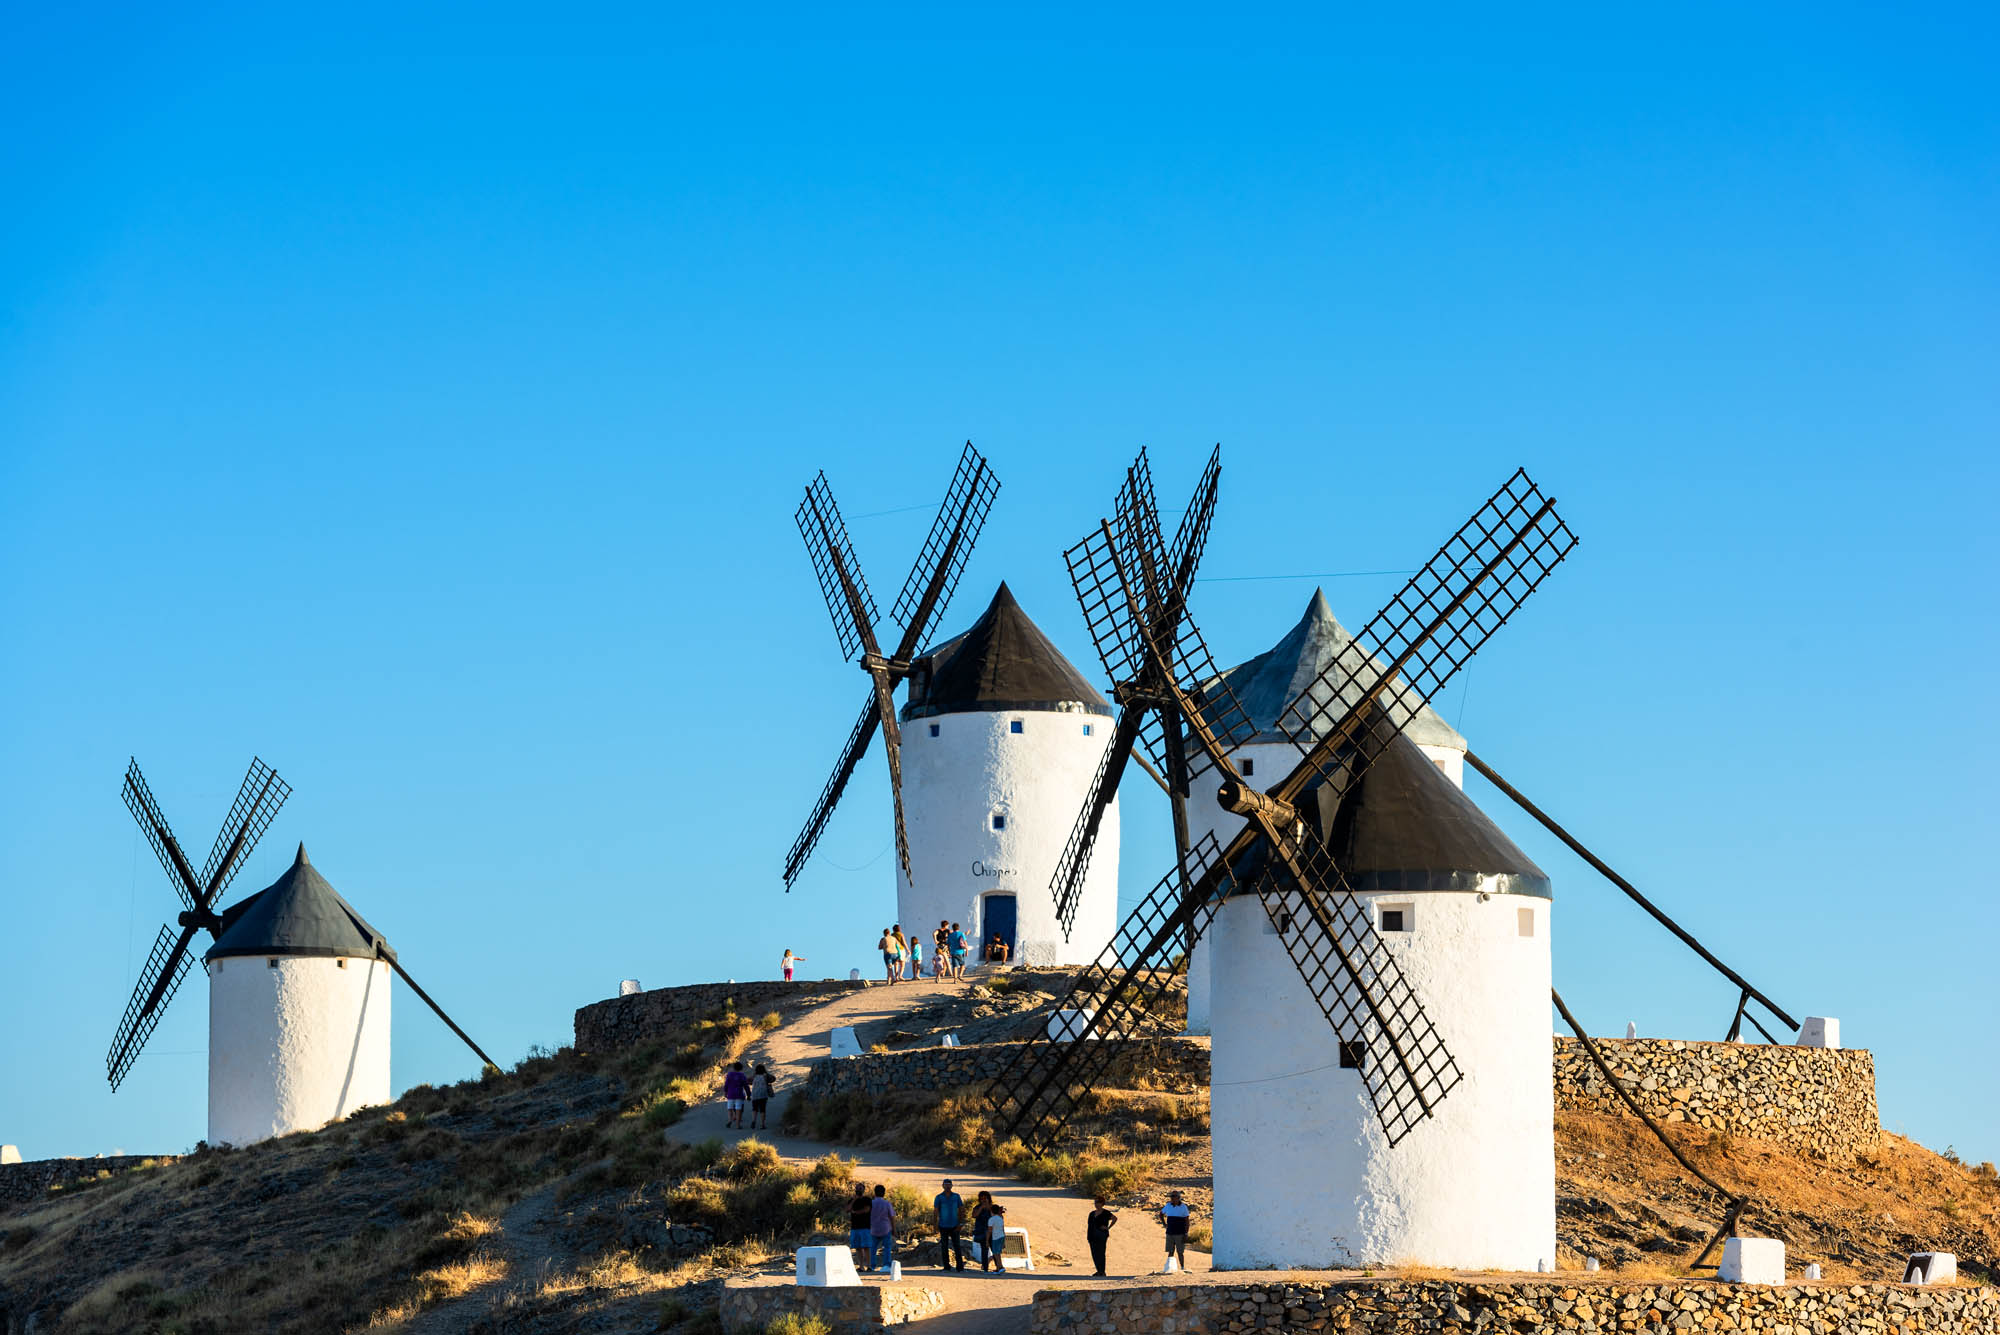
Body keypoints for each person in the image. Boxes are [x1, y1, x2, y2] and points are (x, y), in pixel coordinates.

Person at [934, 1178, 965, 1271]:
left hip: (955, 1225)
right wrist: (934, 1225)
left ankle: (960, 1267)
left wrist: (961, 1223)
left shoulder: (956, 1196)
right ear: (942, 1186)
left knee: (957, 1246)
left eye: (949, 1184)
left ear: (952, 1186)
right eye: (945, 1184)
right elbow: (935, 1211)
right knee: (944, 1247)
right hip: (943, 1225)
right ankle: (946, 1266)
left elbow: (961, 1210)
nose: (947, 1186)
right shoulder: (939, 1197)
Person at [1158, 1190, 1192, 1268]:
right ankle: (1170, 1267)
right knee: (1170, 1251)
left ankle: (1182, 1267)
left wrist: (1186, 1233)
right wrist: (1164, 1224)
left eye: (1174, 1196)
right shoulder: (1168, 1205)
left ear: (1179, 1198)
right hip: (1170, 1232)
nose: (1172, 1198)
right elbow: (1161, 1214)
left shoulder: (1183, 1207)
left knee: (1180, 1252)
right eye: (1171, 1197)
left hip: (1180, 1233)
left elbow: (1187, 1220)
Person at [1086, 1196, 1118, 1276]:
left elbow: (1115, 1218)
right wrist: (1088, 1236)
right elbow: (1089, 1225)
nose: (1096, 1204)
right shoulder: (1091, 1213)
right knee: (1094, 1253)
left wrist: (1108, 1227)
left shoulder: (1106, 1213)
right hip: (1092, 1235)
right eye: (1095, 1202)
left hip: (1101, 1235)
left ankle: (1102, 1271)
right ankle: (1098, 1270)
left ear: (1102, 1203)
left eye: (1098, 1202)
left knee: (1101, 1253)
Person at [868, 1183, 896, 1273]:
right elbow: (892, 1217)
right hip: (885, 1228)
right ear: (884, 1193)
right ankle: (886, 1265)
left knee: (872, 1249)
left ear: (875, 1193)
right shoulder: (887, 1204)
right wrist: (893, 1229)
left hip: (873, 1229)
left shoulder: (871, 1203)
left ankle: (871, 1266)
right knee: (887, 1248)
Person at [848, 1185, 874, 1270]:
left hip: (865, 1226)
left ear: (863, 1190)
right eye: (857, 1188)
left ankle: (869, 1266)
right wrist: (854, 1200)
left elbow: (867, 1209)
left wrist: (856, 1212)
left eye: (860, 1188)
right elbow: (847, 1209)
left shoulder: (867, 1200)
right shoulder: (852, 1200)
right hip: (854, 1227)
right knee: (858, 1247)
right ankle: (861, 1266)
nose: (858, 1190)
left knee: (866, 1247)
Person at [721, 1061, 749, 1129]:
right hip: (739, 1094)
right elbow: (746, 1085)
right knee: (738, 1110)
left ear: (733, 1068)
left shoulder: (729, 1074)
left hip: (731, 1094)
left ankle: (730, 1120)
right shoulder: (742, 1075)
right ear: (741, 1068)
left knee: (730, 1108)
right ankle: (737, 1125)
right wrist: (749, 1094)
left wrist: (725, 1092)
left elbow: (726, 1084)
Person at [970, 1190, 993, 1267]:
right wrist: (981, 1208)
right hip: (981, 1231)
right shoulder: (977, 1207)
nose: (983, 1200)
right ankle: (985, 1266)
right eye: (982, 1198)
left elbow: (997, 1216)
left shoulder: (993, 1207)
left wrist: (989, 1208)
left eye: (985, 1198)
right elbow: (974, 1215)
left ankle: (998, 1266)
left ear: (989, 1199)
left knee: (995, 1250)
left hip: (992, 1231)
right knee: (984, 1250)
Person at [983, 1203, 1008, 1272]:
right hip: (1001, 1236)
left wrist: (987, 1240)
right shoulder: (1001, 1218)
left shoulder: (991, 1219)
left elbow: (989, 1231)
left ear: (991, 1211)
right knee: (998, 1253)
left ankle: (1000, 1267)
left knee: (995, 1254)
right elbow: (1003, 1229)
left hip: (995, 1238)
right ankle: (1000, 1267)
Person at [749, 1063, 774, 1130]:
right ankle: (762, 1124)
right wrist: (766, 1072)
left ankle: (754, 1121)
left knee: (755, 1109)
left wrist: (754, 1074)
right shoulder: (765, 1076)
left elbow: (748, 1081)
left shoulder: (754, 1076)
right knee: (762, 1110)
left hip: (754, 1095)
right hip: (763, 1095)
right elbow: (773, 1078)